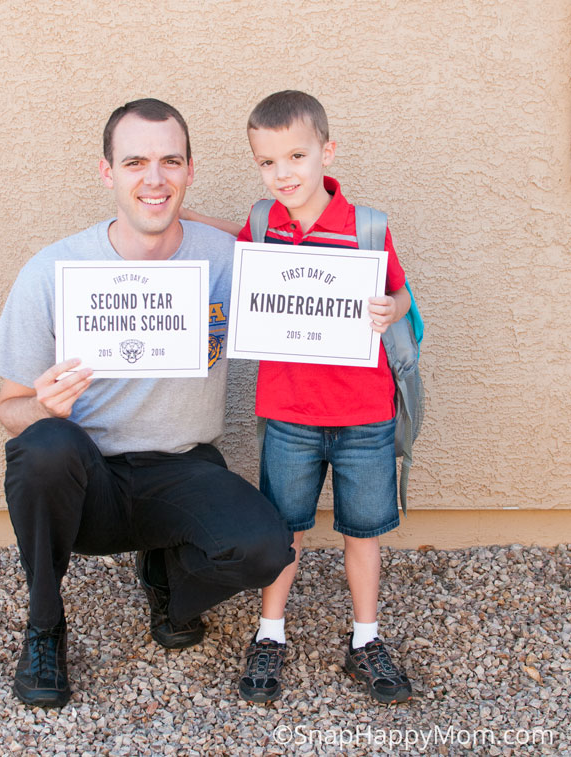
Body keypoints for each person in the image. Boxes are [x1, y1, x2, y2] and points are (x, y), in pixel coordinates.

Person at [0, 98, 294, 709]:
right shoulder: (54, 269)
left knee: (265, 548)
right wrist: (45, 406)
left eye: (169, 162)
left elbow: (301, 263)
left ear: (189, 170)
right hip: (86, 478)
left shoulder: (223, 257)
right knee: (42, 444)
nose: (155, 179)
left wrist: (382, 302)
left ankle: (167, 580)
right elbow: (8, 409)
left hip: (182, 466)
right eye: (135, 163)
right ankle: (45, 626)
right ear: (108, 174)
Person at [183, 90, 413, 705]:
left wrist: (393, 309)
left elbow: (401, 294)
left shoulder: (367, 227)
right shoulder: (264, 225)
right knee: (285, 530)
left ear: (325, 152)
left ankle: (366, 640)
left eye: (295, 156)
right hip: (288, 415)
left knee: (362, 533)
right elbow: (234, 241)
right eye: (266, 162)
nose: (282, 173)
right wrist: (180, 216)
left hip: (365, 414)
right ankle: (270, 633)